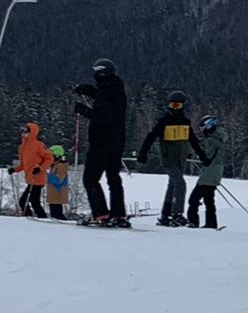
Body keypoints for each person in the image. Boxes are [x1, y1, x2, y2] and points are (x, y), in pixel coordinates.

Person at [73, 59, 130, 226]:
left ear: (101, 72)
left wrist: (83, 110)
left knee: (90, 179)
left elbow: (102, 116)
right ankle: (118, 214)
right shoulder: (117, 88)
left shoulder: (106, 90)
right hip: (118, 140)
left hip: (101, 141)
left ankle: (101, 214)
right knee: (113, 178)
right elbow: (107, 102)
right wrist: (90, 91)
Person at [136, 90, 195, 227]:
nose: (175, 108)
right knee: (180, 184)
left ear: (183, 106)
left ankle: (165, 215)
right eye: (172, 105)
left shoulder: (185, 122)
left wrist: (202, 155)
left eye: (178, 105)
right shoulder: (164, 122)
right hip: (168, 160)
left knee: (172, 185)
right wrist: (143, 153)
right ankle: (177, 214)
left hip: (181, 159)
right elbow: (151, 136)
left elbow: (193, 140)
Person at [187, 115, 228, 229]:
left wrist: (196, 151)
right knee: (209, 200)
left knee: (193, 199)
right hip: (215, 174)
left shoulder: (211, 141)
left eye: (202, 127)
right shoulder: (217, 139)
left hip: (209, 175)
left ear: (208, 126)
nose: (200, 129)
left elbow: (206, 158)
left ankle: (193, 222)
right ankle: (211, 223)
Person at [13, 121, 53, 218]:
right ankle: (41, 217)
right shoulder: (22, 147)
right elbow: (23, 164)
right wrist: (14, 169)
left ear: (32, 132)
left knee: (23, 201)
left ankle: (28, 216)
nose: (24, 134)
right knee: (34, 201)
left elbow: (49, 158)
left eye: (26, 131)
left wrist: (40, 168)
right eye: (22, 131)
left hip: (38, 177)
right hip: (30, 178)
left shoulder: (39, 145)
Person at [45, 144, 72, 221]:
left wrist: (48, 176)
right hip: (55, 193)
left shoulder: (60, 166)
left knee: (56, 212)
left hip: (57, 192)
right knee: (55, 210)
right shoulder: (55, 165)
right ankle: (59, 220)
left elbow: (59, 179)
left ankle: (61, 221)